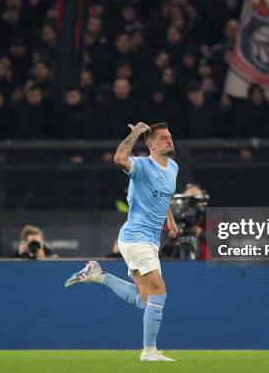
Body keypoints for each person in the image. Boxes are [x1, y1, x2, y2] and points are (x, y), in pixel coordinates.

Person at [64, 122, 179, 362]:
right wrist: (135, 133)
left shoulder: (173, 168)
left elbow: (164, 195)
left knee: (147, 300)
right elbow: (118, 158)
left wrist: (171, 220)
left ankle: (98, 275)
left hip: (148, 240)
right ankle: (149, 352)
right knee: (159, 292)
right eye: (163, 138)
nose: (169, 140)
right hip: (136, 237)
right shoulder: (141, 166)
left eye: (170, 136)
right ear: (151, 145)